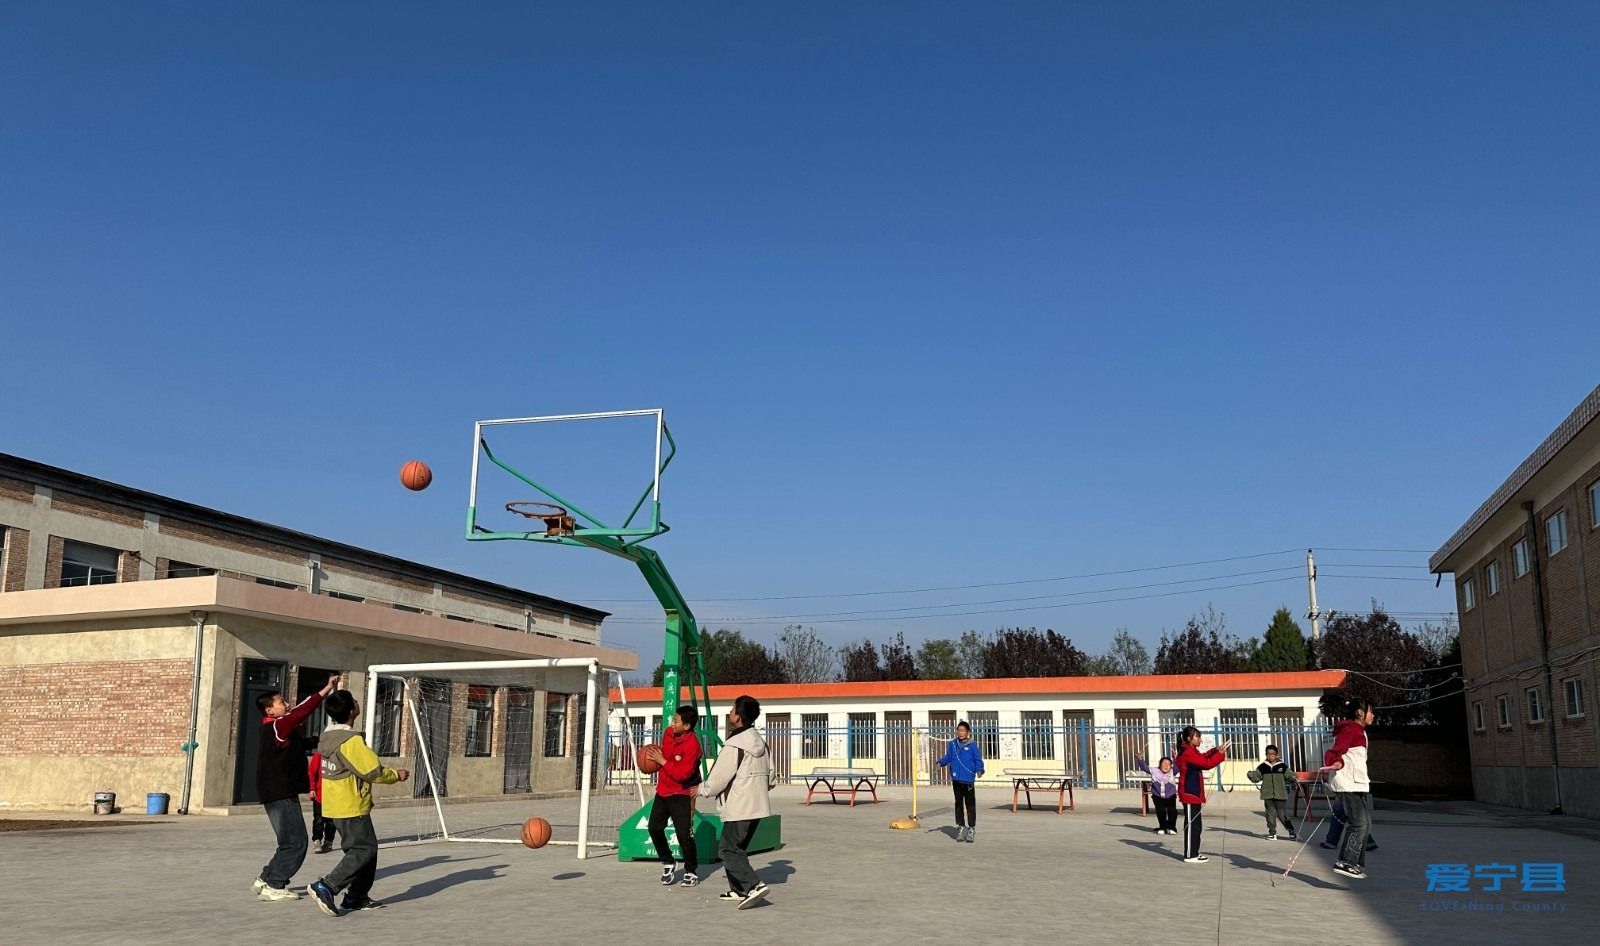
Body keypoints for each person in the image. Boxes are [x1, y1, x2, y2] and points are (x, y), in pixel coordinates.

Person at [306, 689, 409, 916]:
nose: (357, 703)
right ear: (352, 710)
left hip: (335, 803)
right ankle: (327, 886)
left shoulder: (328, 737)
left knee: (366, 850)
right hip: (350, 803)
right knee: (364, 849)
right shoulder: (351, 741)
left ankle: (356, 896)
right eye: (354, 701)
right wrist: (395, 775)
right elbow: (372, 770)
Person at [251, 673, 339, 902]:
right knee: (296, 842)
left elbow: (298, 741)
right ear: (270, 711)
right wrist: (326, 689)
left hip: (276, 791)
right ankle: (274, 884)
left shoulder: (277, 729)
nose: (287, 704)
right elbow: (302, 710)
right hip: (279, 792)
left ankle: (265, 879)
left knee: (287, 840)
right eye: (281, 702)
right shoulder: (277, 725)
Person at [697, 694, 773, 909]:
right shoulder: (762, 743)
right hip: (758, 806)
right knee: (737, 848)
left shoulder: (734, 744)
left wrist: (701, 789)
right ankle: (739, 889)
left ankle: (754, 885)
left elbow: (719, 778)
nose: (730, 713)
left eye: (732, 710)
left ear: (738, 717)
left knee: (727, 850)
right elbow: (772, 777)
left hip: (739, 805)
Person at [648, 704, 704, 888]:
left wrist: (662, 761)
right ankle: (668, 861)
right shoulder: (668, 733)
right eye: (673, 719)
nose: (672, 723)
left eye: (676, 721)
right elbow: (663, 756)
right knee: (654, 828)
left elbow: (682, 774)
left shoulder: (693, 745)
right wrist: (651, 761)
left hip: (682, 792)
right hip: (663, 790)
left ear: (686, 726)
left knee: (684, 835)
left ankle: (691, 871)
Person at [1323, 698, 1376, 880]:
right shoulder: (1351, 729)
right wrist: (1336, 761)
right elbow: (1334, 752)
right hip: (1348, 783)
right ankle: (1346, 862)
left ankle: (1355, 862)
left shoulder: (1359, 731)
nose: (1373, 715)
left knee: (1365, 823)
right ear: (1360, 713)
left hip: (1357, 783)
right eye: (1371, 711)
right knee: (1358, 823)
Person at [1174, 726, 1228, 863]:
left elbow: (1203, 757)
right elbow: (1206, 763)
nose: (1200, 740)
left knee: (1196, 825)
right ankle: (1190, 855)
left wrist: (1215, 751)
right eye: (1197, 737)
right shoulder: (1188, 752)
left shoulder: (1191, 751)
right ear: (1189, 738)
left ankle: (1194, 852)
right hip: (1189, 792)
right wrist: (1220, 755)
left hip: (1194, 793)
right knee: (1192, 825)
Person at [936, 722, 986, 843]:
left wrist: (979, 769)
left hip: (968, 779)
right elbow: (949, 756)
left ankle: (971, 828)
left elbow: (977, 759)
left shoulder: (972, 745)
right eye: (959, 730)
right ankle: (961, 827)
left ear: (968, 732)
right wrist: (940, 762)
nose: (960, 732)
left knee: (970, 804)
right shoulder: (952, 744)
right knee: (958, 804)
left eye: (963, 730)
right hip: (956, 779)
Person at [1245, 744, 1297, 840]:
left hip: (1280, 794)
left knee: (1282, 814)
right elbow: (1257, 778)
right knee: (1270, 814)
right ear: (1266, 754)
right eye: (1268, 754)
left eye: (1273, 754)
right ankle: (1272, 833)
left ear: (1276, 755)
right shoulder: (1262, 767)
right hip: (1267, 794)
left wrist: (1293, 777)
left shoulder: (1282, 766)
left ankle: (1291, 831)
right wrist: (1251, 775)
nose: (1270, 756)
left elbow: (1289, 774)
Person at [1134, 753, 1178, 835]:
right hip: (1157, 795)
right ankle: (1162, 827)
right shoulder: (1154, 771)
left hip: (1170, 795)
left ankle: (1171, 827)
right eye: (1164, 763)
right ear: (1160, 765)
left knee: (1172, 811)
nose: (1166, 766)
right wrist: (1140, 759)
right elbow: (1144, 767)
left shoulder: (1172, 771)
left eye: (1168, 764)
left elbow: (1178, 766)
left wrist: (1176, 757)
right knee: (1160, 810)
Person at [307, 751, 338, 854]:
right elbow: (312, 772)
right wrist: (312, 788)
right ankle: (317, 840)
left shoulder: (339, 754)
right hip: (320, 795)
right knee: (319, 820)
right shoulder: (319, 754)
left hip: (334, 795)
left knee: (332, 821)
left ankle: (328, 841)